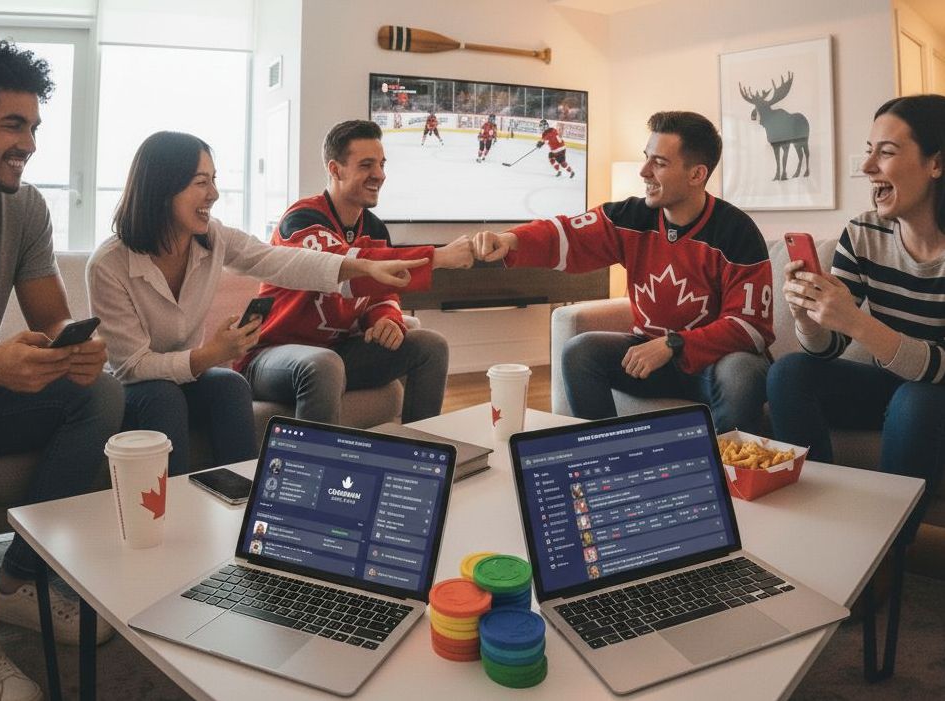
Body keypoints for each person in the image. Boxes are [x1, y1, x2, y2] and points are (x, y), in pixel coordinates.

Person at [0, 39, 124, 701]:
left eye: (34, 127)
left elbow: (51, 319)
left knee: (99, 393)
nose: (30, 144)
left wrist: (75, 350)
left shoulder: (26, 207)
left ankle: (15, 581)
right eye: (13, 126)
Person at [88, 131, 432, 476]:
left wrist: (364, 267)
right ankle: (172, 502)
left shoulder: (212, 238)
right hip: (137, 387)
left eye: (214, 180)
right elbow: (132, 366)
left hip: (185, 379)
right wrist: (209, 355)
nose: (214, 193)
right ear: (162, 190)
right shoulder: (109, 265)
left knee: (230, 386)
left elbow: (280, 260)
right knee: (164, 398)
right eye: (201, 182)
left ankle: (244, 490)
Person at [474, 111, 773, 434]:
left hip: (713, 364)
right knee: (580, 351)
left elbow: (750, 328)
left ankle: (730, 464)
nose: (644, 172)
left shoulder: (737, 232)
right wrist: (511, 240)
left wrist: (674, 344)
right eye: (646, 158)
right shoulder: (631, 216)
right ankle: (605, 452)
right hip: (650, 357)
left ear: (697, 174)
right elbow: (569, 234)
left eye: (659, 163)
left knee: (742, 371)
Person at [767, 94, 945, 540]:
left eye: (886, 152)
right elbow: (829, 349)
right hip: (893, 384)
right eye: (869, 151)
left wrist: (857, 322)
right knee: (789, 373)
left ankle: (887, 550)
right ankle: (817, 522)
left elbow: (940, 369)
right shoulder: (863, 232)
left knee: (917, 399)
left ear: (936, 163)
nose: (867, 167)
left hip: (934, 396)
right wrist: (809, 317)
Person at [237, 120, 474, 424]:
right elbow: (342, 266)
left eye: (381, 164)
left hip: (336, 352)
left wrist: (386, 319)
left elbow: (383, 293)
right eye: (366, 165)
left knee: (430, 346)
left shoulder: (375, 228)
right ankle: (315, 456)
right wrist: (436, 257)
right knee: (324, 364)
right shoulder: (300, 219)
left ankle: (419, 449)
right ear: (335, 170)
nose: (380, 174)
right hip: (271, 357)